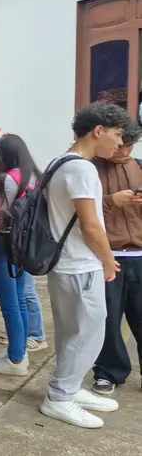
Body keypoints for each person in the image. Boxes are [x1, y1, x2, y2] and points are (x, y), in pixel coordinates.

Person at [38, 102, 129, 428]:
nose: (120, 142)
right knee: (88, 333)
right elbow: (90, 225)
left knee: (71, 332)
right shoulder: (82, 169)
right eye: (118, 134)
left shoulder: (59, 162)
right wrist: (108, 260)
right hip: (80, 265)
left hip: (64, 264)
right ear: (99, 131)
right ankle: (60, 396)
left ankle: (70, 387)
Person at [0, 131, 49, 353]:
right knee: (20, 299)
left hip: (3, 242)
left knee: (9, 304)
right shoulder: (36, 176)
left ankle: (15, 357)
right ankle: (20, 352)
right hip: (24, 243)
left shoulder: (4, 179)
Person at [92, 124, 142, 396]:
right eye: (121, 145)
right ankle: (108, 372)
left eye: (130, 146)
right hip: (108, 255)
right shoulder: (92, 168)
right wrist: (111, 200)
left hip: (140, 254)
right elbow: (83, 210)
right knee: (108, 320)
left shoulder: (139, 166)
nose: (123, 152)